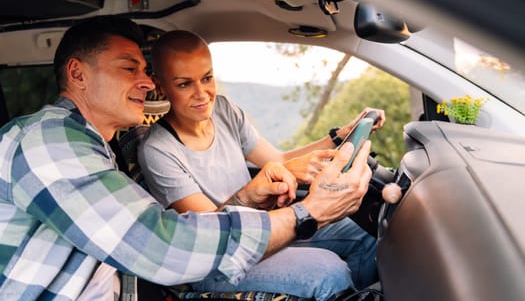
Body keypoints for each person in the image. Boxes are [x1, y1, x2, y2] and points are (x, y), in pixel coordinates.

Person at [0, 16, 373, 301]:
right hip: (187, 267)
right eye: (130, 68)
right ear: (77, 74)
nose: (146, 83)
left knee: (363, 239)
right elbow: (162, 245)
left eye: (145, 72)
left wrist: (253, 197)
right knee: (326, 271)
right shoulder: (49, 142)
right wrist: (308, 214)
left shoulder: (93, 147)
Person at [138, 30, 385, 297]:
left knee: (367, 234)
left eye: (207, 78)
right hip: (217, 261)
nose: (202, 94)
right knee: (329, 271)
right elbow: (208, 238)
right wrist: (258, 192)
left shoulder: (223, 110)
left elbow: (277, 161)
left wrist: (338, 136)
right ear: (160, 85)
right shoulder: (158, 150)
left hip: (265, 229)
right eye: (184, 84)